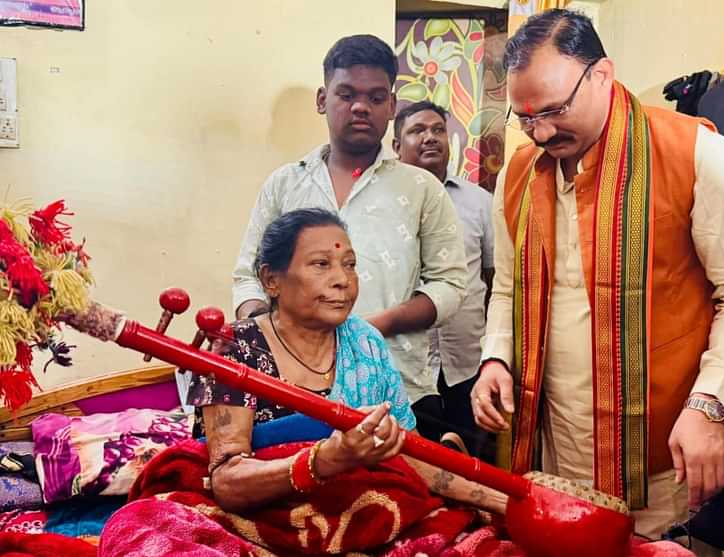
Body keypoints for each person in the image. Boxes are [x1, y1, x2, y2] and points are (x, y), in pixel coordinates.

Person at [471, 8, 724, 540]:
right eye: (525, 119)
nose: (540, 132)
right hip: (552, 446)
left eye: (554, 110)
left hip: (664, 452)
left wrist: (708, 406)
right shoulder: (521, 170)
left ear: (602, 75)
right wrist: (496, 356)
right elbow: (509, 286)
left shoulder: (694, 152)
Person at [197, 208, 505, 515]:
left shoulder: (364, 341)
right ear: (270, 279)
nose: (343, 280)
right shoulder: (236, 348)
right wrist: (324, 460)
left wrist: (505, 501)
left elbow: (409, 452)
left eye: (350, 265)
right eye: (321, 264)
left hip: (361, 509)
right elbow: (226, 481)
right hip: (267, 518)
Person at [231, 35, 467, 412]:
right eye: (346, 94)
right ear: (323, 99)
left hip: (401, 390)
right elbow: (248, 277)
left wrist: (372, 328)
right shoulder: (286, 184)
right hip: (292, 389)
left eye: (376, 98)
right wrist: (264, 333)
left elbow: (451, 285)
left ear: (391, 105)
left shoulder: (422, 188)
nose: (361, 107)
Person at [392, 101, 495, 457]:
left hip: (467, 362)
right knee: (418, 468)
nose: (430, 138)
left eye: (438, 130)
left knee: (477, 468)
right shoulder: (382, 203)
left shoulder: (480, 203)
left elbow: (493, 279)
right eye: (417, 130)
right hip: (407, 367)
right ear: (395, 146)